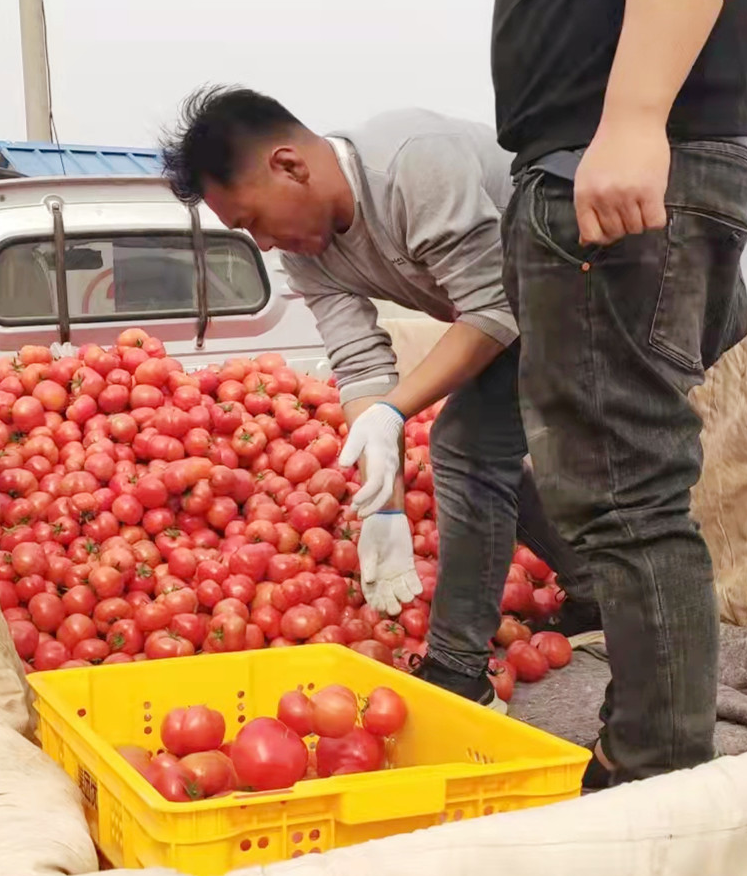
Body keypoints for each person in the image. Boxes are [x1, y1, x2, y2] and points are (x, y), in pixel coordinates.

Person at [161, 88, 600, 708]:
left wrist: (396, 411)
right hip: (527, 312)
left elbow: (494, 308)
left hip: (597, 291)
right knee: (479, 448)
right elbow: (361, 365)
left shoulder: (413, 163)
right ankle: (591, 588)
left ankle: (458, 669)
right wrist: (384, 502)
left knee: (465, 446)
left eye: (253, 221)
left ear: (289, 166)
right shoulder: (310, 254)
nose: (263, 243)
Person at [491, 0, 747, 785]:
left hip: (613, 161)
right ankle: (650, 744)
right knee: (627, 490)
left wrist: (634, 116)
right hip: (615, 155)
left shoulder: (634, 124)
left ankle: (654, 773)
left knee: (626, 494)